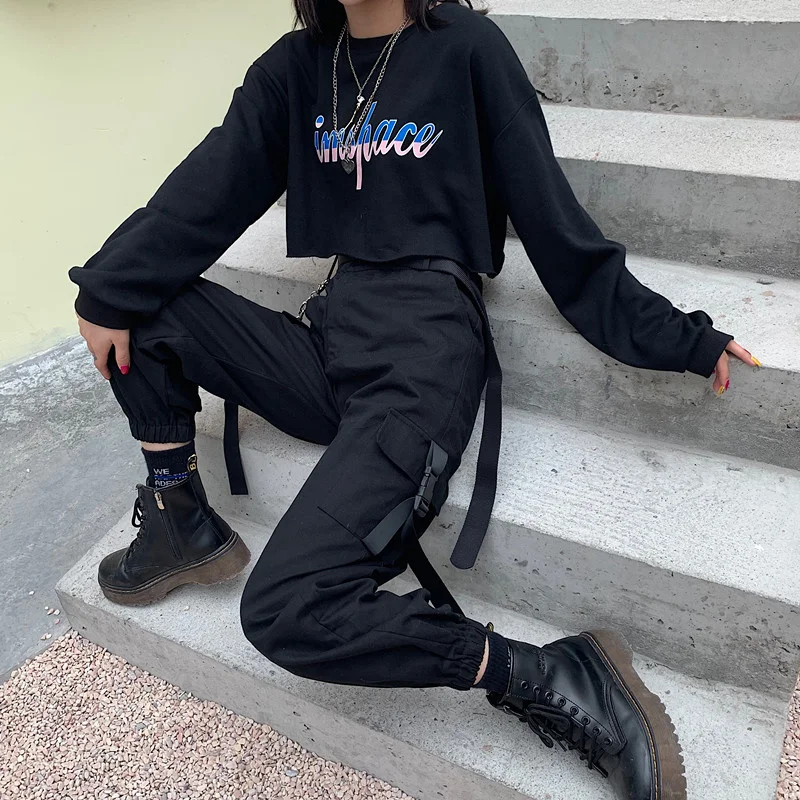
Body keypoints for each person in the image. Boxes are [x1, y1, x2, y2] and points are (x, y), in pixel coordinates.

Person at [69, 0, 762, 797]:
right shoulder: (298, 67)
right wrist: (103, 290)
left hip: (425, 350)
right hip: (331, 335)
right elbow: (203, 193)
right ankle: (180, 519)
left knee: (286, 609)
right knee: (129, 295)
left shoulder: (466, 48)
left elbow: (558, 229)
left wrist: (681, 337)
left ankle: (544, 672)